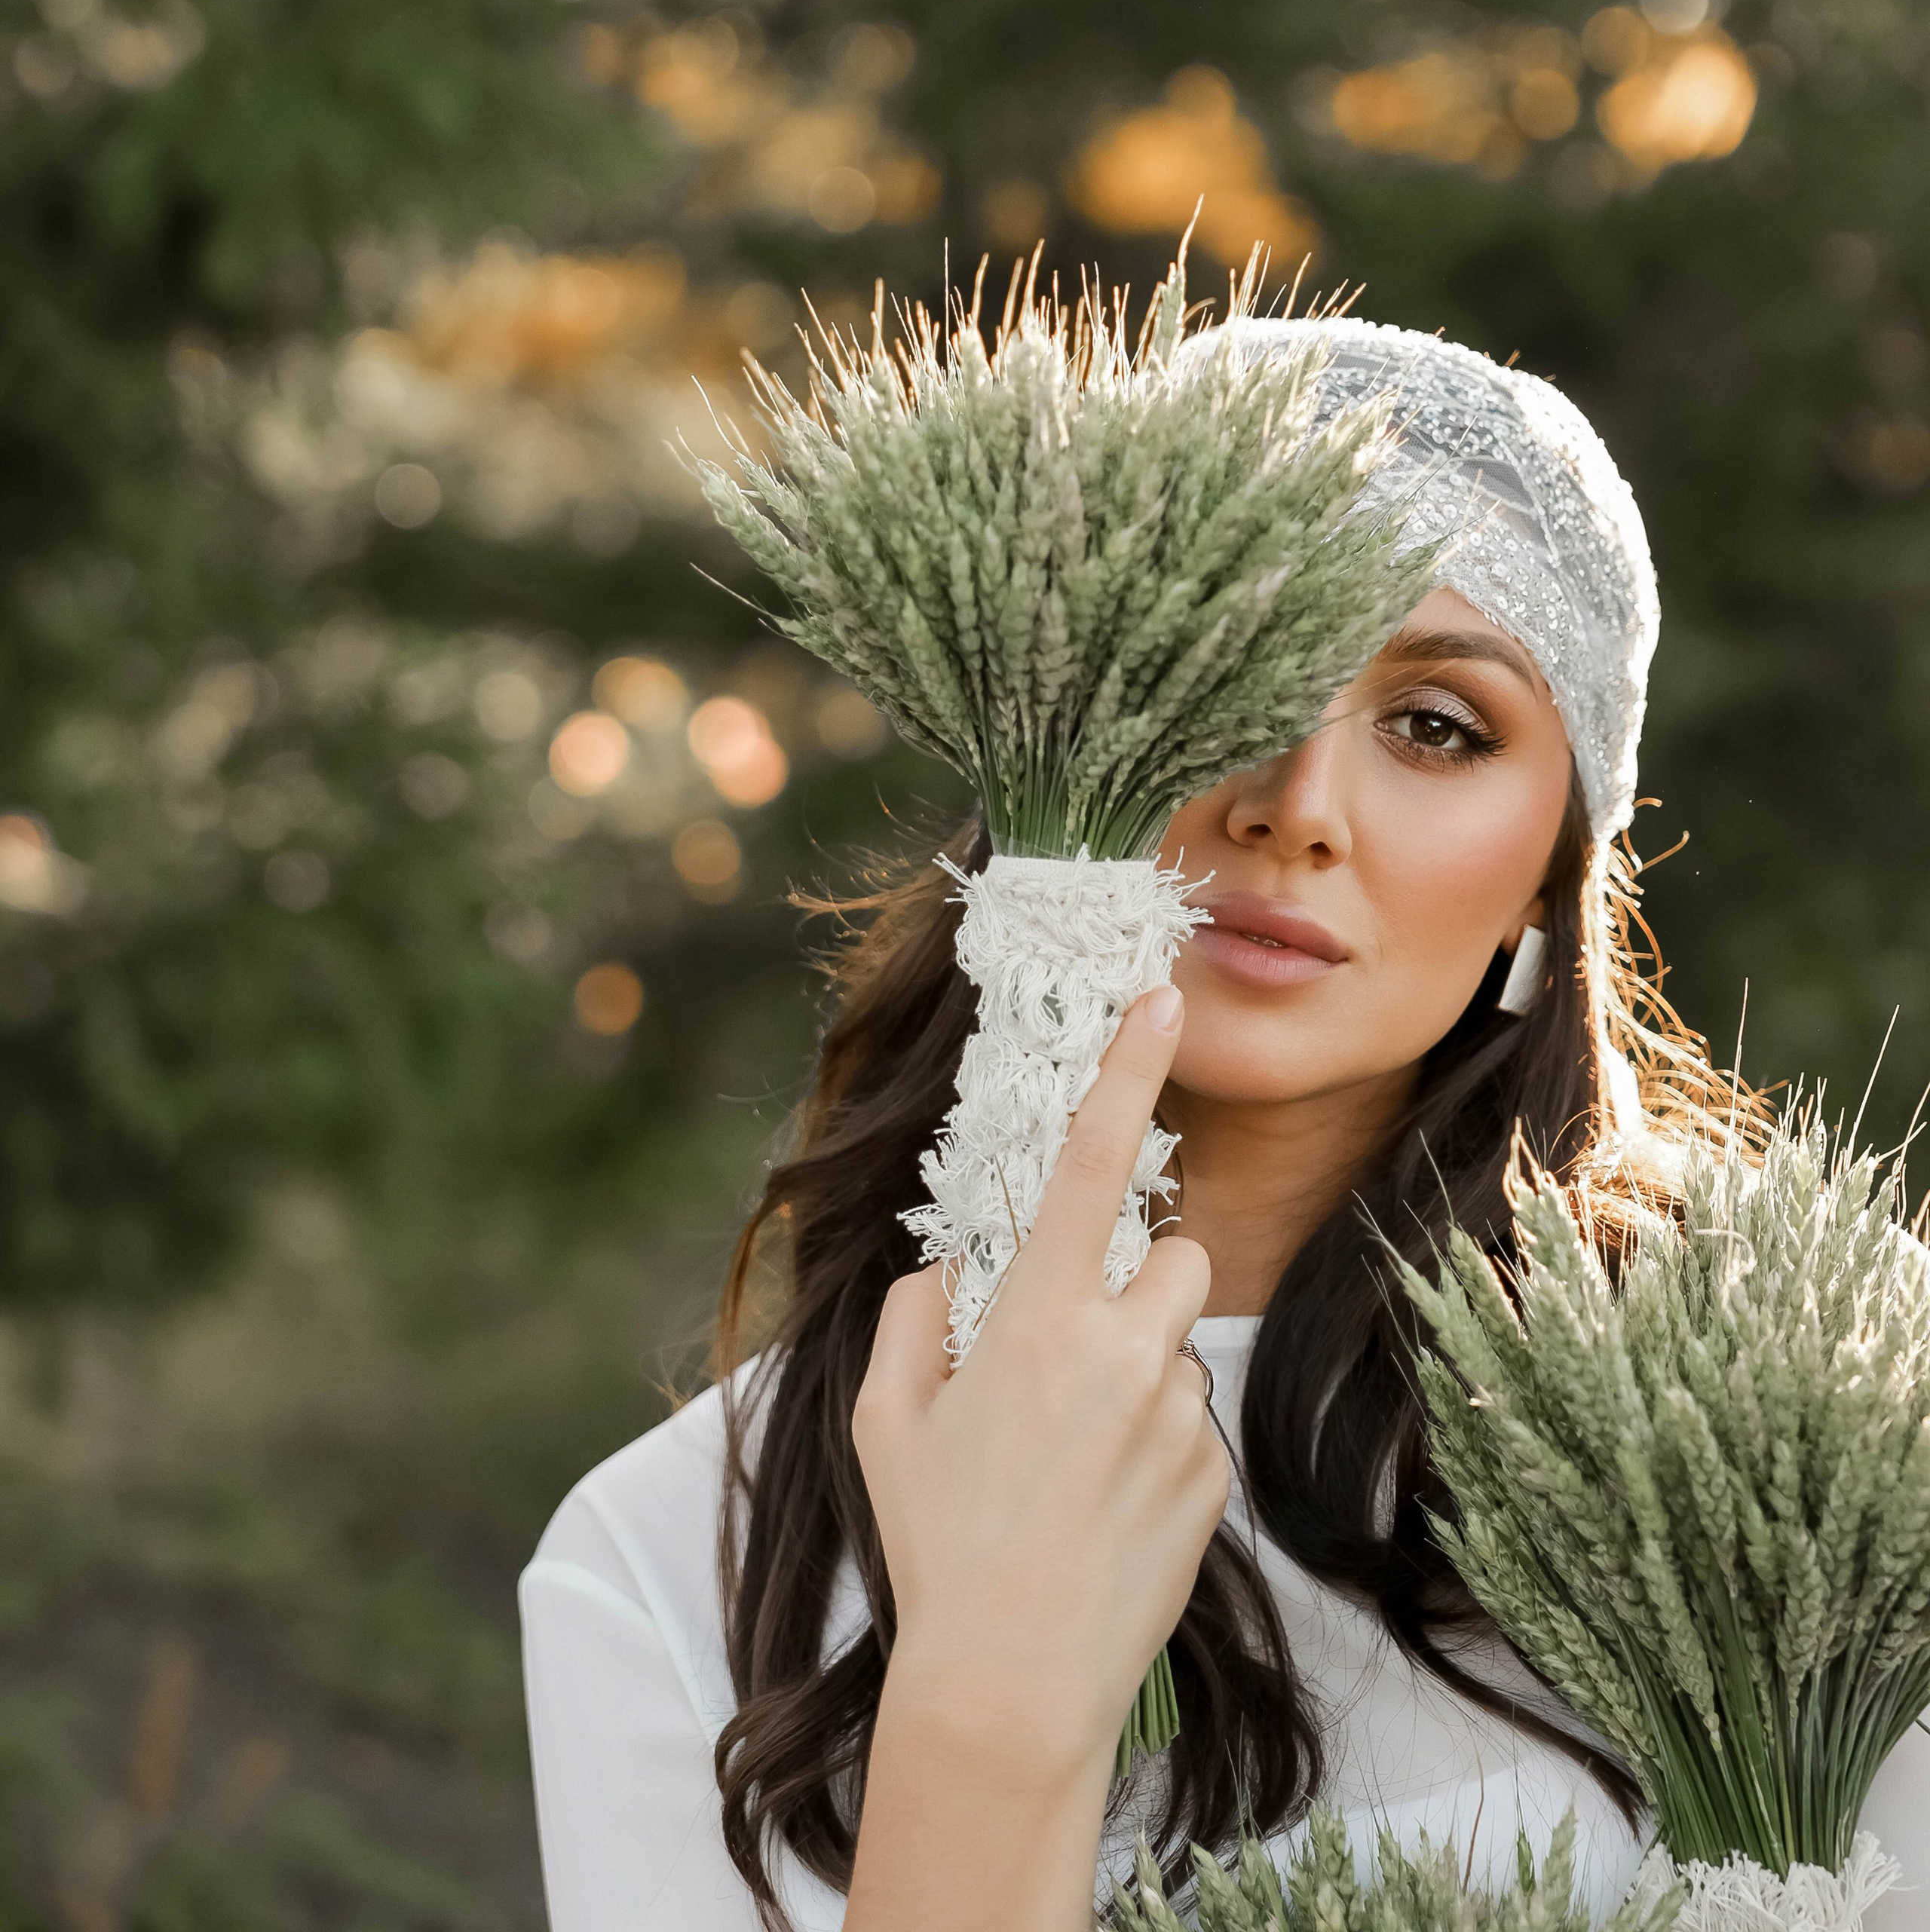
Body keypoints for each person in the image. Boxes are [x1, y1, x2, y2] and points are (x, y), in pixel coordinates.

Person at [519, 320, 1930, 1932]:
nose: (1294, 805)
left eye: (1436, 725)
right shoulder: (666, 1555)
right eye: (1234, 676)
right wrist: (987, 1697)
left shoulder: (1803, 1436)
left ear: (1550, 876)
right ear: (1049, 728)